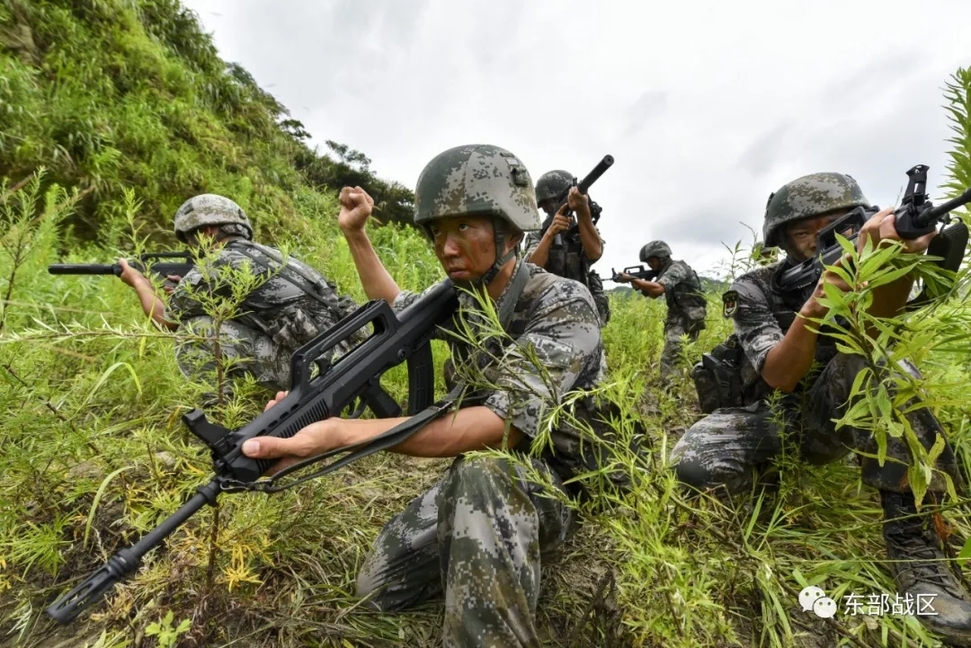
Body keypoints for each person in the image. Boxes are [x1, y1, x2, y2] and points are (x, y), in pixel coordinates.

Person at [239, 144, 607, 647]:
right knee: (377, 588)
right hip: (487, 468)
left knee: (483, 470)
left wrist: (343, 433)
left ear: (511, 231)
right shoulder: (462, 297)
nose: (446, 246)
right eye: (436, 231)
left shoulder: (563, 302)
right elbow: (394, 308)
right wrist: (357, 235)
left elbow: (499, 428)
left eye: (463, 228)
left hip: (563, 474)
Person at [672, 172, 971, 642]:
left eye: (837, 226)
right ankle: (767, 482)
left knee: (881, 366)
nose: (818, 241)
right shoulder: (751, 289)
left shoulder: (876, 260)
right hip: (772, 416)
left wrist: (895, 263)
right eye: (803, 231)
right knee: (692, 466)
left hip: (835, 413)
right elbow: (778, 375)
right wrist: (821, 296)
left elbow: (872, 336)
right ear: (783, 240)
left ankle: (918, 552)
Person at [119, 193, 364, 405]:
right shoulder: (277, 256)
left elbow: (166, 320)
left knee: (195, 331)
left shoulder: (219, 263)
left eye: (191, 240)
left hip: (319, 373)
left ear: (206, 232)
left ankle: (218, 412)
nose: (192, 249)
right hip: (351, 362)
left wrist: (139, 282)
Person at [523, 169, 611, 324]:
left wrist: (583, 211)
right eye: (544, 205)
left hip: (581, 311)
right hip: (545, 311)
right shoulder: (537, 234)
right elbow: (530, 269)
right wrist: (550, 234)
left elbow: (594, 253)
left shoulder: (583, 229)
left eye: (549, 203)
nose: (546, 209)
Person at [614, 240, 707, 381]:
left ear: (662, 257)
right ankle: (682, 383)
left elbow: (658, 288)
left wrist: (633, 279)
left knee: (670, 357)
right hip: (678, 318)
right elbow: (654, 294)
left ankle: (671, 389)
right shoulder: (664, 272)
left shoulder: (677, 268)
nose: (650, 265)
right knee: (680, 355)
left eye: (652, 261)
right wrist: (640, 284)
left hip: (688, 318)